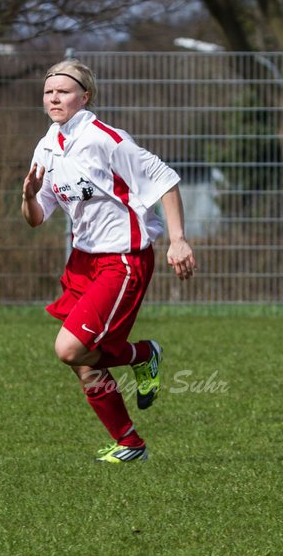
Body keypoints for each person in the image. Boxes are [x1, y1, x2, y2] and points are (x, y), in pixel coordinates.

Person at [21, 59, 196, 464]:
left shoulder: (106, 139)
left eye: (63, 91)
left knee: (69, 349)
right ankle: (130, 444)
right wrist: (29, 196)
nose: (54, 98)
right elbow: (36, 218)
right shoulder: (48, 144)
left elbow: (165, 180)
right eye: (49, 92)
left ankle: (142, 355)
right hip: (84, 261)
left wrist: (178, 240)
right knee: (80, 361)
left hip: (123, 259)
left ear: (85, 96)